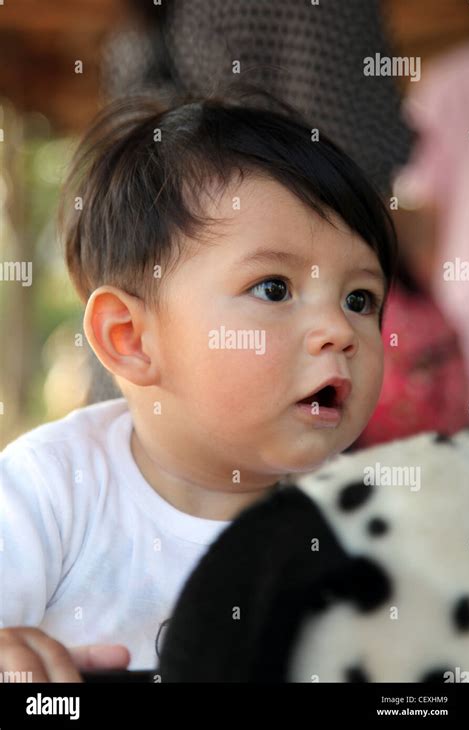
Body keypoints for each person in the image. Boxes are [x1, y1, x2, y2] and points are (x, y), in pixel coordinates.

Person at [0, 88, 397, 680]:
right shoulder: (50, 491)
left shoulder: (362, 518)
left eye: (359, 298)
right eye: (274, 288)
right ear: (130, 339)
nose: (339, 331)